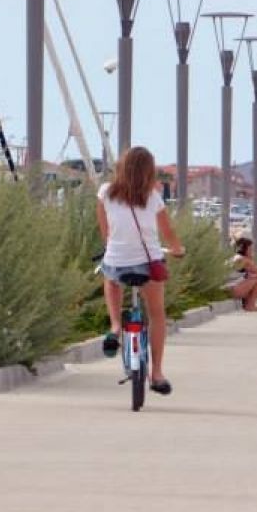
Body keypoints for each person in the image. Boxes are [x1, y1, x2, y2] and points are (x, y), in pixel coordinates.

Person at [97, 146, 185, 395]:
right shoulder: (153, 197)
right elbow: (168, 233)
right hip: (148, 264)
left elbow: (106, 232)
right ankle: (156, 373)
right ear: (149, 172)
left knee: (110, 277)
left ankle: (115, 326)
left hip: (117, 260)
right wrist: (177, 249)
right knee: (156, 315)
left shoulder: (105, 192)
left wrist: (111, 248)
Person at [228, 237, 257, 311]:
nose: (252, 251)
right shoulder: (244, 260)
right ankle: (250, 305)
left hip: (230, 289)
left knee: (254, 277)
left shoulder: (236, 258)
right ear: (244, 250)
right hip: (232, 290)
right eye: (250, 249)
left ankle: (248, 303)